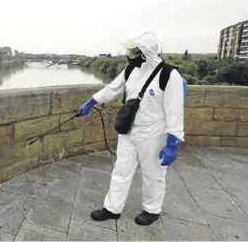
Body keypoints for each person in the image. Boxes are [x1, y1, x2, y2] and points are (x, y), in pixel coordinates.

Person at [77, 32, 186, 226]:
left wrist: (171, 144)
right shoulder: (130, 71)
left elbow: (174, 112)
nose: (129, 56)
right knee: (121, 170)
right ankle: (112, 208)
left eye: (133, 52)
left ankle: (152, 210)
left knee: (153, 174)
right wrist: (91, 102)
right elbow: (112, 89)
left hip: (153, 134)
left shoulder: (170, 75)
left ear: (145, 53)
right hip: (129, 132)